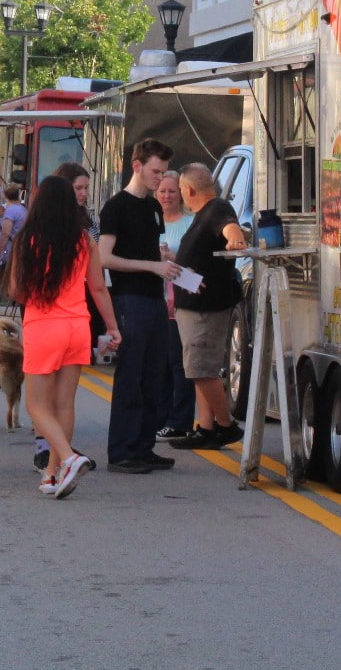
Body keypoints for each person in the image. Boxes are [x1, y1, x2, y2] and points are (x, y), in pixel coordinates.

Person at [9, 176, 121, 498]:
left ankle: (70, 459)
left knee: (36, 405)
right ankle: (52, 474)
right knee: (64, 405)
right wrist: (112, 327)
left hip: (44, 326)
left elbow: (16, 290)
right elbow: (98, 287)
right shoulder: (84, 239)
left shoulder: (27, 239)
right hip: (78, 327)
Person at [99, 138, 180, 474]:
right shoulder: (117, 206)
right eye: (155, 171)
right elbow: (104, 257)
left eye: (163, 173)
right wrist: (152, 266)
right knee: (131, 375)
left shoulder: (152, 208)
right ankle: (122, 450)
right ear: (137, 166)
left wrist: (162, 259)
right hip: (130, 299)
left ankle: (143, 445)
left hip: (154, 298)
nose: (160, 179)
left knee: (154, 375)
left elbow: (146, 249)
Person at [169, 164, 246, 451]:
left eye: (179, 191)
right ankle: (206, 427)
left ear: (189, 190)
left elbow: (230, 227)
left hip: (205, 308)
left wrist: (235, 238)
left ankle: (226, 425)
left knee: (202, 369)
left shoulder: (217, 208)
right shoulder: (201, 214)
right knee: (198, 368)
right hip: (192, 304)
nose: (180, 196)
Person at [155, 171, 196, 441]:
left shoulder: (191, 223)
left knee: (180, 364)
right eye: (162, 191)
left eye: (172, 191)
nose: (167, 196)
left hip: (181, 300)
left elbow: (198, 263)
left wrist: (174, 257)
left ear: (181, 193)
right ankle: (161, 418)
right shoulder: (151, 222)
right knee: (160, 364)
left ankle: (180, 421)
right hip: (153, 300)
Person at [0, 184, 27, 305]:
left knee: (1, 277)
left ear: (5, 196)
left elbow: (5, 233)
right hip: (20, 249)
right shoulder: (23, 209)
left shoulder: (10, 212)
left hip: (9, 251)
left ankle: (1, 303)